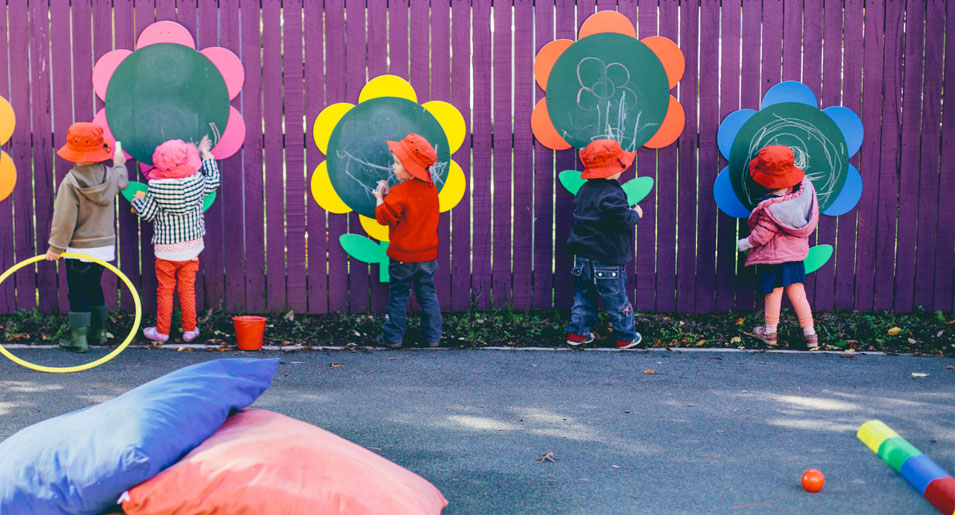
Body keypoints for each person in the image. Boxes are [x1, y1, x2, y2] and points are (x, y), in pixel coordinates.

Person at [46, 122, 128, 353]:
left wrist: (56, 247)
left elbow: (64, 219)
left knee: (78, 292)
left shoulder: (71, 181)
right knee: (94, 287)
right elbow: (122, 180)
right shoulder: (110, 175)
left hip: (79, 249)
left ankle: (78, 339)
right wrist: (119, 163)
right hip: (103, 248)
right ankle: (99, 333)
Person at [132, 136, 219, 343]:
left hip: (165, 251)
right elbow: (214, 180)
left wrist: (137, 202)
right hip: (191, 248)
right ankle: (190, 330)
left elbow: (148, 214)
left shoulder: (155, 187)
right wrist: (205, 155)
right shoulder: (197, 182)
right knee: (187, 289)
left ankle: (162, 331)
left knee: (165, 290)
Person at [737, 145, 819, 348]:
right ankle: (810, 334)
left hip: (774, 258)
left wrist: (744, 243)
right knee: (798, 294)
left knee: (773, 293)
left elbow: (762, 235)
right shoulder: (803, 195)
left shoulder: (771, 208)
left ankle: (770, 333)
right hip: (796, 256)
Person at [564, 139, 643, 349]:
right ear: (613, 170)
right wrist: (634, 213)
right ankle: (625, 336)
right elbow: (621, 220)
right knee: (616, 300)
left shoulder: (583, 191)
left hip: (582, 258)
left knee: (584, 298)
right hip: (608, 260)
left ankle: (578, 334)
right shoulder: (612, 193)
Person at [372, 133, 442, 348]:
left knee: (399, 296)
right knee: (427, 294)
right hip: (427, 256)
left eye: (397, 163)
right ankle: (432, 337)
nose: (394, 168)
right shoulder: (431, 189)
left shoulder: (401, 191)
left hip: (402, 256)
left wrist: (380, 197)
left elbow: (383, 217)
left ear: (411, 168)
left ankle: (392, 337)